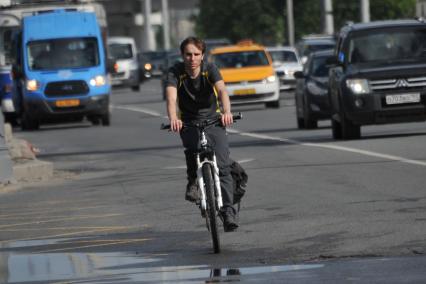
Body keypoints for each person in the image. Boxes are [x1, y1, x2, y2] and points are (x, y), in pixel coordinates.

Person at [165, 36, 238, 232]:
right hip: (188, 121)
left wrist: (227, 112)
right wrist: (174, 118)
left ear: (202, 55)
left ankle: (228, 212)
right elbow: (171, 97)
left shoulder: (210, 69)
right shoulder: (175, 72)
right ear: (182, 56)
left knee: (223, 167)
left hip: (213, 120)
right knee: (192, 149)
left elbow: (222, 90)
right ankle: (193, 182)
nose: (192, 58)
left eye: (196, 54)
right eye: (188, 54)